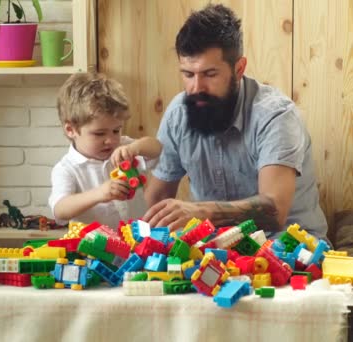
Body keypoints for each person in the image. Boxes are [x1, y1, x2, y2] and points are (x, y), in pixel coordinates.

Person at [142, 4, 329, 240]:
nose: (196, 88)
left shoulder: (276, 115)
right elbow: (157, 198)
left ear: (239, 68)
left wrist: (200, 211)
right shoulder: (179, 113)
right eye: (188, 74)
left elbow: (274, 210)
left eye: (210, 74)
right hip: (214, 249)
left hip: (289, 246)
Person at [49, 73, 162, 229]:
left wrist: (135, 147)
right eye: (99, 133)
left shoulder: (124, 148)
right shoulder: (67, 169)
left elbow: (156, 148)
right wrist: (99, 194)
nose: (110, 140)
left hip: (138, 245)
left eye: (116, 130)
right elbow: (60, 209)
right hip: (95, 250)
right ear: (71, 130)